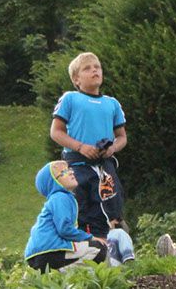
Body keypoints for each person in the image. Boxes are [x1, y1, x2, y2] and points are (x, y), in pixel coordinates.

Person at [50, 52, 128, 240]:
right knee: (83, 207)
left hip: (104, 164)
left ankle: (117, 245)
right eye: (87, 68)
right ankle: (88, 248)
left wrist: (112, 148)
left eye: (98, 67)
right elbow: (56, 132)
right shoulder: (70, 99)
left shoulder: (112, 103)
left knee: (112, 205)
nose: (94, 70)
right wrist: (80, 147)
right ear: (76, 79)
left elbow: (122, 137)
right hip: (78, 165)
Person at [25, 161, 108, 273]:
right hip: (50, 251)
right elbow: (65, 229)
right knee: (99, 249)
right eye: (63, 172)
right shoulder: (60, 197)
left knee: (92, 250)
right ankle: (58, 274)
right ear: (53, 182)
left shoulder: (58, 198)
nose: (70, 173)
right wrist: (90, 238)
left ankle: (53, 274)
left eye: (69, 169)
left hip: (38, 254)